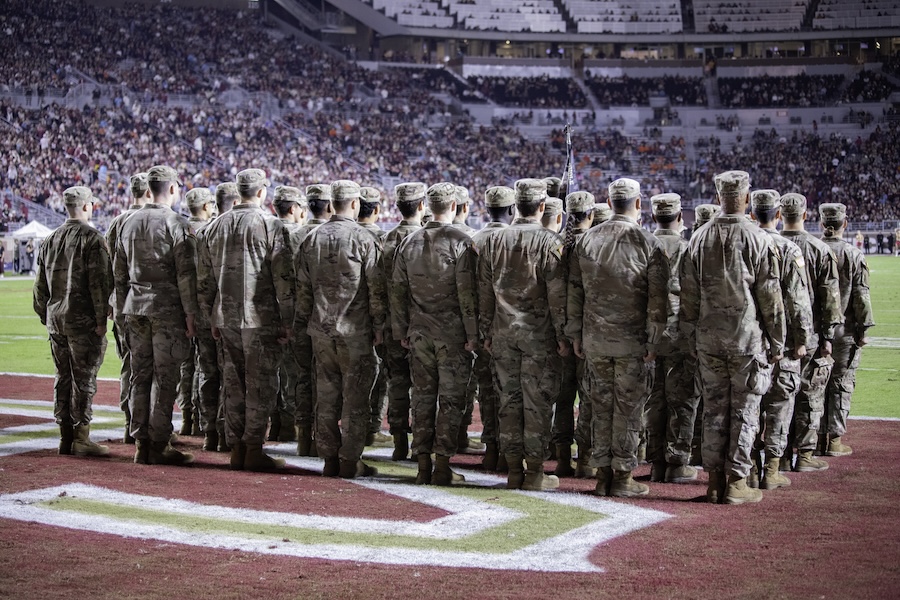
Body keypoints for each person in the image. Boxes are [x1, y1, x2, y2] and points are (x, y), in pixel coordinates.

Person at [680, 171, 786, 505]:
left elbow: (688, 298)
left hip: (708, 340)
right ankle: (737, 482)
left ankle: (713, 482)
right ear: (745, 196)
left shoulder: (699, 237)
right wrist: (778, 341)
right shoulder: (758, 238)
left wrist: (690, 339)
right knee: (745, 412)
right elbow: (770, 298)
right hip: (745, 340)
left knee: (713, 411)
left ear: (718, 196)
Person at [567, 179, 669, 498]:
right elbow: (658, 300)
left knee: (599, 407)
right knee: (628, 409)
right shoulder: (649, 243)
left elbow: (574, 292)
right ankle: (622, 476)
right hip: (632, 343)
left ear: (609, 203)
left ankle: (602, 475)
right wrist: (654, 339)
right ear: (638, 204)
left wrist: (575, 333)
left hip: (595, 339)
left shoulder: (587, 240)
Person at [198, 168, 293, 472]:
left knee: (233, 383)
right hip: (260, 318)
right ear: (262, 192)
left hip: (226, 317)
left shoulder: (214, 226)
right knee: (260, 384)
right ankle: (253, 446)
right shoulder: (270, 225)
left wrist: (210, 315)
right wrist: (288, 319)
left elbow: (205, 281)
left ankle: (236, 446)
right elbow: (283, 279)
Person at [479, 178, 567, 491]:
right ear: (542, 206)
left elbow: (485, 293)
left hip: (502, 333)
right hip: (538, 337)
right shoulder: (549, 242)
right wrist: (563, 335)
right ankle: (534, 472)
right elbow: (557, 297)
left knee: (508, 402)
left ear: (517, 205)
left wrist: (485, 330)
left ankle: (514, 469)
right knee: (537, 404)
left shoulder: (494, 241)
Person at [295, 180, 386, 479]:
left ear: (332, 204)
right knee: (356, 398)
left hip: (321, 330)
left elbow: (303, 291)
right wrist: (380, 327)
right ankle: (349, 459)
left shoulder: (312, 238)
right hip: (355, 331)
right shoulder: (364, 238)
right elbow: (376, 290)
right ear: (356, 204)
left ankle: (329, 458)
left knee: (326, 396)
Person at [391, 182, 479, 485]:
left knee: (423, 398)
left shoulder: (409, 242)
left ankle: (422, 464)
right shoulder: (462, 241)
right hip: (452, 335)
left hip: (418, 333)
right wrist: (472, 333)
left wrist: (401, 329)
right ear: (453, 206)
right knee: (451, 400)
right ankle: (442, 464)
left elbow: (397, 291)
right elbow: (467, 295)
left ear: (427, 206)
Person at [115, 165, 198, 466]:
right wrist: (191, 315)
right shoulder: (177, 223)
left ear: (148, 190)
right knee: (165, 378)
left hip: (135, 307)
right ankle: (159, 442)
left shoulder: (128, 222)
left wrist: (120, 311)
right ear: (173, 189)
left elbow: (119, 274)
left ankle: (140, 442)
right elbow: (186, 275)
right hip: (167, 309)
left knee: (140, 375)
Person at [33, 186, 112, 458]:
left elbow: (39, 289)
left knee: (63, 377)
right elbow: (99, 285)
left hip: (56, 320)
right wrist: (102, 319)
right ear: (88, 206)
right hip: (83, 321)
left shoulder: (50, 239)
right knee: (84, 378)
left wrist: (47, 314)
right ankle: (81, 436)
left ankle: (65, 437)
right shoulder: (93, 239)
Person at [749, 189, 813, 490]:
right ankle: (772, 470)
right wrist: (803, 339)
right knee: (779, 405)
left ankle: (748, 469)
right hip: (783, 343)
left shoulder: (744, 245)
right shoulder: (788, 249)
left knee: (748, 408)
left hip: (749, 341)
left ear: (752, 214)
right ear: (778, 215)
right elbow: (798, 301)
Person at [780, 192, 843, 472]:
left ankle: (777, 456)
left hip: (777, 338)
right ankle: (804, 455)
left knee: (778, 398)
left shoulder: (769, 243)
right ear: (806, 215)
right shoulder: (820, 249)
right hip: (813, 336)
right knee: (809, 394)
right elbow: (830, 299)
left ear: (780, 215)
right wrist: (828, 337)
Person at [645, 193, 701, 485]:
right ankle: (677, 462)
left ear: (654, 217)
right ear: (681, 218)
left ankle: (655, 461)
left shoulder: (644, 245)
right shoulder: (688, 249)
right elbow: (696, 295)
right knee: (681, 400)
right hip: (681, 334)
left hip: (649, 335)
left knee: (653, 400)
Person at [819, 203, 875, 457]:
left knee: (813, 386)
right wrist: (863, 330)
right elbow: (861, 296)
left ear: (822, 223)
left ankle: (814, 439)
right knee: (841, 385)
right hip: (845, 330)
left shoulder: (811, 249)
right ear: (846, 223)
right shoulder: (853, 254)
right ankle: (833, 440)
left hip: (815, 331)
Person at [470, 185, 516, 472]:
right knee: (511, 392)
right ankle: (509, 453)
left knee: (487, 391)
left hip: (481, 327)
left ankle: (492, 447)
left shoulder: (474, 239)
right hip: (510, 327)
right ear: (511, 210)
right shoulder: (511, 239)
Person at [382, 182, 426, 461]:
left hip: (391, 324)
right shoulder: (424, 240)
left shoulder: (385, 239)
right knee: (424, 387)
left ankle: (399, 441)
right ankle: (421, 446)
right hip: (423, 324)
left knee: (397, 384)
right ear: (422, 206)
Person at [105, 172, 151, 443]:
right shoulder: (150, 221)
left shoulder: (116, 223)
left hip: (122, 305)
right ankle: (146, 427)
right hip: (148, 304)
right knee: (149, 368)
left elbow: (108, 269)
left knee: (128, 365)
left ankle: (128, 423)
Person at [289, 184, 333, 457]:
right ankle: (323, 439)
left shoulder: (296, 236)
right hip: (330, 320)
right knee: (327, 382)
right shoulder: (327, 236)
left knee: (303, 378)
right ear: (329, 206)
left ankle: (304, 436)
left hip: (301, 316)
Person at [560, 191, 596, 480]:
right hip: (586, 332)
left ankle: (560, 457)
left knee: (561, 396)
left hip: (555, 331)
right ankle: (585, 458)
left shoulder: (558, 242)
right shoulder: (594, 243)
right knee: (588, 398)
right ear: (591, 214)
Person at [184, 187, 222, 452]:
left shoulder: (180, 229)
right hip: (217, 310)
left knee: (196, 369)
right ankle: (220, 430)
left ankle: (194, 422)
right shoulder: (213, 231)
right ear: (208, 205)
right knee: (221, 371)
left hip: (189, 309)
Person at [269, 185, 308, 444]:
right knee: (295, 373)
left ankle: (276, 424)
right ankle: (292, 425)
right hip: (292, 313)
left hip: (265, 311)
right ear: (294, 208)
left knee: (271, 372)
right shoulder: (300, 235)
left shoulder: (264, 230)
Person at [357, 186, 391, 448]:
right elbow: (380, 287)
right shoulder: (382, 239)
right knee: (375, 380)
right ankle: (371, 429)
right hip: (368, 322)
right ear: (377, 210)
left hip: (325, 324)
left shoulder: (316, 235)